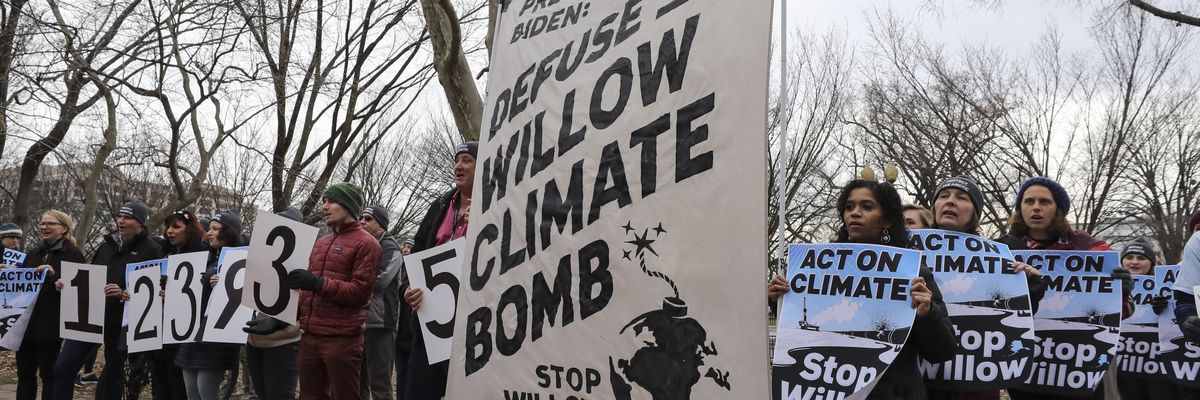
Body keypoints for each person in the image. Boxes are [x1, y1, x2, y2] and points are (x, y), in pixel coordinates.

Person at [769, 179, 956, 399]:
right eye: (849, 207)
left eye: (866, 207)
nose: (855, 213)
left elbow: (942, 352)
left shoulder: (913, 274)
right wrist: (779, 298)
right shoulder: (819, 270)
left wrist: (927, 313)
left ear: (886, 220)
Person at [996, 177, 1131, 400]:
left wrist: (1121, 292)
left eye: (1044, 202)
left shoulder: (1091, 250)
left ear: (1058, 209)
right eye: (1029, 201)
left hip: (1079, 366)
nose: (1036, 207)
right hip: (1027, 369)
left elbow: (1122, 313)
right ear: (1020, 209)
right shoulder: (1002, 250)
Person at [922, 176, 1041, 400]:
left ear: (975, 214)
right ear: (934, 207)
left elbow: (1014, 324)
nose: (950, 201)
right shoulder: (907, 253)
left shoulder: (999, 258)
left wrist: (1028, 289)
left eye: (961, 197)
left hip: (977, 382)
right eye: (944, 196)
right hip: (921, 382)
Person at [52, 201, 164, 400]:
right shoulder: (107, 245)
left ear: (140, 223)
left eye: (127, 218)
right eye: (119, 216)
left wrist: (123, 293)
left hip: (121, 320)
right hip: (91, 315)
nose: (121, 221)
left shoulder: (151, 249)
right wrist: (67, 284)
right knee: (63, 367)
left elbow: (154, 289)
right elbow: (91, 275)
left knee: (113, 371)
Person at [287, 182, 381, 400]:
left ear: (348, 205)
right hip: (309, 338)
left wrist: (317, 284)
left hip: (342, 342)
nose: (324, 206)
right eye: (324, 201)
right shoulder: (321, 243)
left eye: (331, 201)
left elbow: (360, 292)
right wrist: (281, 321)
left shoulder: (368, 244)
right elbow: (307, 294)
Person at [403, 141, 477, 399]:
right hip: (432, 321)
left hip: (472, 322)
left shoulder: (496, 204)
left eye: (466, 160)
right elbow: (418, 250)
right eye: (456, 160)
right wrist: (408, 288)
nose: (458, 166)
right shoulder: (440, 205)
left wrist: (482, 222)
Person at [174, 212, 244, 400]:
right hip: (193, 332)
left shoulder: (241, 261)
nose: (208, 233)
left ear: (228, 233)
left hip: (216, 335)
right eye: (209, 228)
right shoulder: (205, 257)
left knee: (206, 392)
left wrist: (226, 284)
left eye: (215, 229)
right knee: (191, 392)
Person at [16, 210, 85, 400]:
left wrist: (55, 276)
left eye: (50, 223)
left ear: (64, 229)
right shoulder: (34, 252)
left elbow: (80, 289)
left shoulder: (72, 254)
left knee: (49, 375)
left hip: (51, 324)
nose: (44, 227)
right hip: (26, 323)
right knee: (24, 373)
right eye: (42, 223)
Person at [243, 207, 304, 400]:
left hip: (285, 341)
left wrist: (280, 323)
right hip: (255, 339)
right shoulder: (261, 258)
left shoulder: (305, 260)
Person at [149, 210, 208, 400]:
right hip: (163, 329)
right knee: (161, 381)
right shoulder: (168, 252)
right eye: (168, 226)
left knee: (178, 384)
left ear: (189, 229)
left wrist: (175, 296)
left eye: (176, 227)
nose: (169, 231)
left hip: (184, 332)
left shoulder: (202, 255)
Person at [359, 205, 403, 400]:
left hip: (381, 323)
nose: (362, 222)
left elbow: (381, 280)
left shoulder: (391, 247)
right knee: (357, 382)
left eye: (368, 219)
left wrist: (354, 282)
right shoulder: (360, 245)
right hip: (358, 322)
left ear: (382, 225)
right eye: (361, 218)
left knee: (380, 385)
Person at [395, 236, 415, 399]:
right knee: (401, 375)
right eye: (405, 246)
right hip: (398, 330)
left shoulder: (417, 271)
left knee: (411, 378)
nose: (406, 249)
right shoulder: (399, 268)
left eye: (410, 247)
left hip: (412, 332)